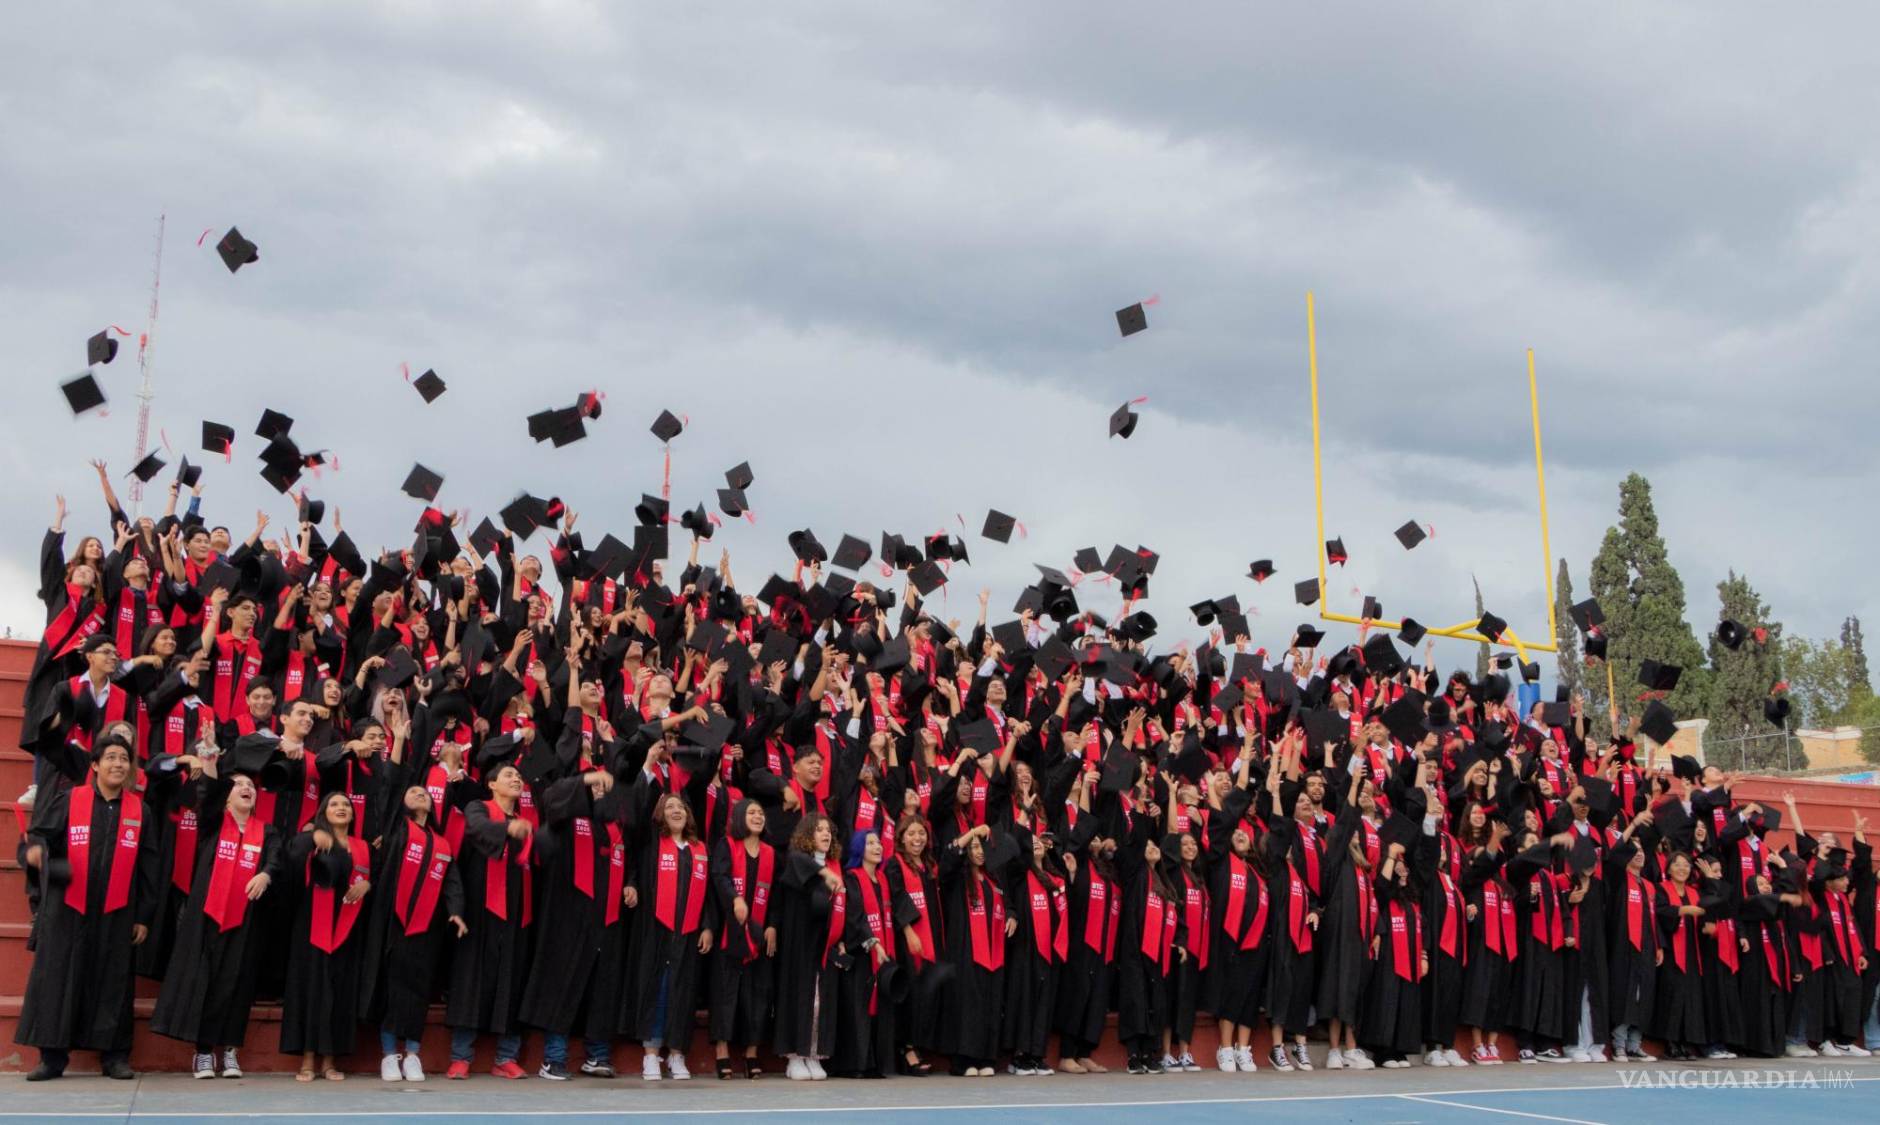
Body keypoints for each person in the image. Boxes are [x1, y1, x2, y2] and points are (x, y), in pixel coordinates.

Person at [15, 734, 159, 1080]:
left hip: (117, 908)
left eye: (123, 759)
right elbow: (37, 839)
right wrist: (33, 854)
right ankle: (52, 1057)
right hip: (69, 909)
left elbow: (149, 868)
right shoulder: (70, 800)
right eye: (110, 757)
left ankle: (114, 1056)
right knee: (59, 978)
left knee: (114, 981)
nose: (117, 764)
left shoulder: (141, 810)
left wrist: (143, 915)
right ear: (94, 765)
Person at [149, 762, 282, 1079]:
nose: (247, 788)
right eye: (238, 784)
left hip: (246, 919)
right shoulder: (212, 823)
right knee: (204, 982)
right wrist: (209, 760)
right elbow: (205, 796)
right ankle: (204, 1051)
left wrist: (265, 873)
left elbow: (276, 858)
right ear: (225, 796)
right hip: (206, 917)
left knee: (237, 983)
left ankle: (231, 1049)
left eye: (251, 784)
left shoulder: (267, 831)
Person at [280, 791, 373, 1081]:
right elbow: (291, 856)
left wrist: (368, 884)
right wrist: (312, 837)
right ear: (323, 812)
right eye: (334, 804)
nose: (341, 808)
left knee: (339, 989)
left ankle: (330, 1061)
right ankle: (307, 1059)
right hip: (312, 925)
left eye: (346, 804)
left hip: (347, 927)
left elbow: (379, 878)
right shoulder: (313, 839)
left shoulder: (364, 848)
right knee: (311, 987)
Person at [709, 798, 778, 1079]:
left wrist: (772, 924)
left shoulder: (772, 853)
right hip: (730, 929)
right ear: (739, 817)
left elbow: (776, 894)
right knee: (725, 994)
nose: (758, 816)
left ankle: (751, 1052)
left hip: (759, 931)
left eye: (761, 812)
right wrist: (735, 899)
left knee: (757, 995)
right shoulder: (726, 845)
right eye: (751, 812)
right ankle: (722, 1051)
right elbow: (719, 877)